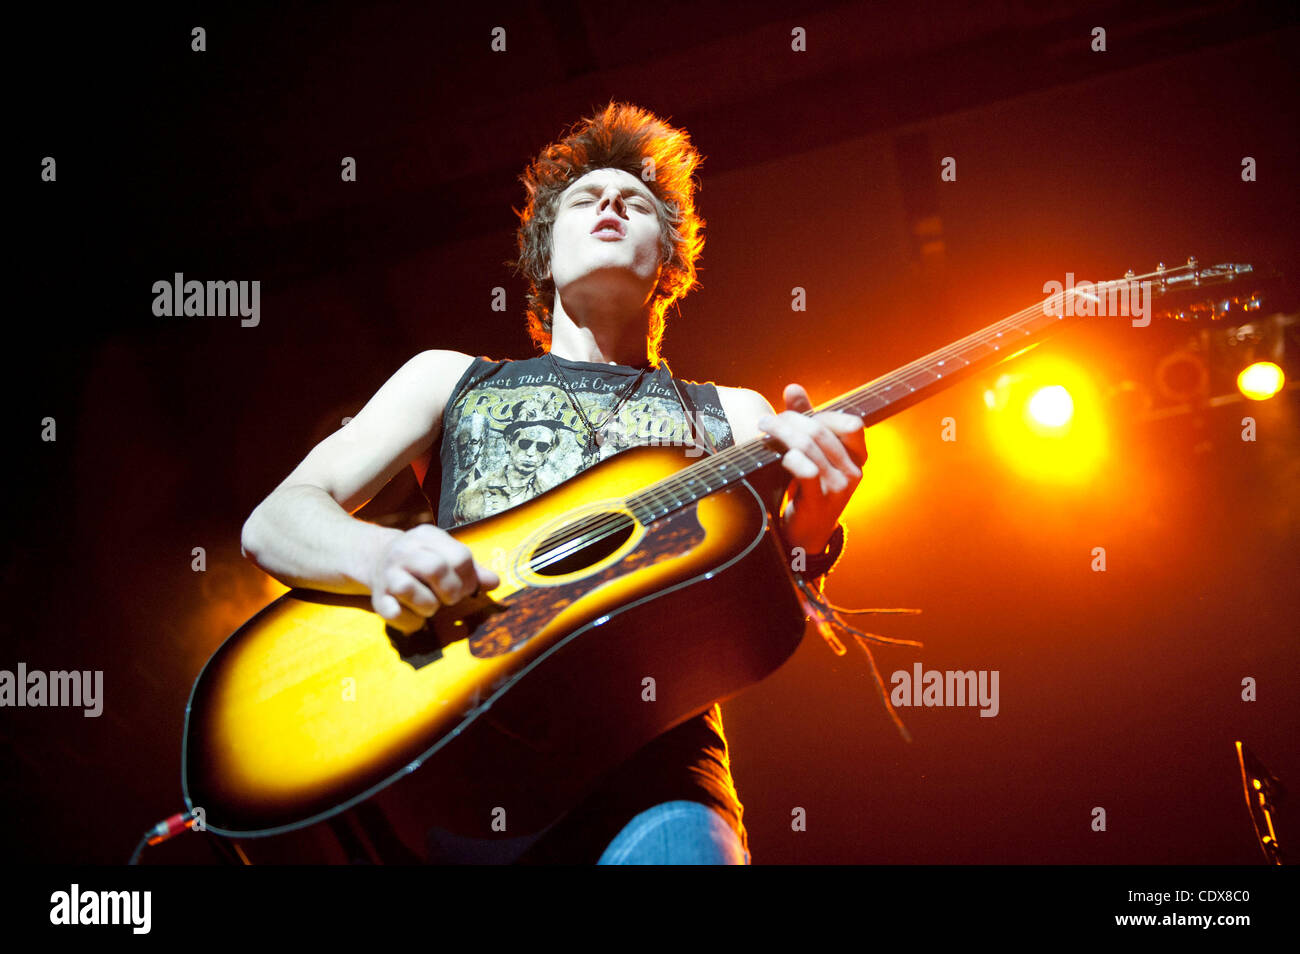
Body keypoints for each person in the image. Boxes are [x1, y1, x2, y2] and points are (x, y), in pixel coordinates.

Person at [239, 101, 867, 864]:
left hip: (661, 778)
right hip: (476, 782)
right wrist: (379, 560)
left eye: (635, 202)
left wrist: (815, 519)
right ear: (543, 253)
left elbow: (767, 599)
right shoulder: (444, 380)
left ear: (667, 259)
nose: (610, 204)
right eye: (585, 199)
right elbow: (274, 521)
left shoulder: (735, 413)